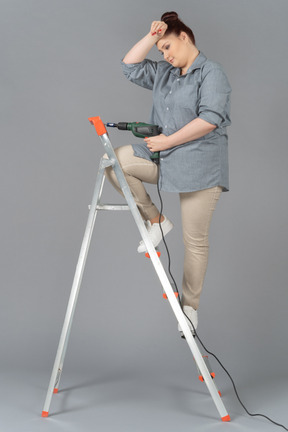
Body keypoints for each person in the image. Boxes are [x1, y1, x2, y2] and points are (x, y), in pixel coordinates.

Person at [105, 11, 231, 337]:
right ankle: (157, 220)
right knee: (116, 163)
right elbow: (129, 66)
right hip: (164, 159)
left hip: (200, 167)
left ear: (185, 37)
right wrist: (151, 36)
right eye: (160, 50)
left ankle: (189, 308)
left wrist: (168, 140)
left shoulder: (212, 73)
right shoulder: (165, 72)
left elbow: (211, 118)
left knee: (195, 242)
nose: (164, 54)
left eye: (167, 47)